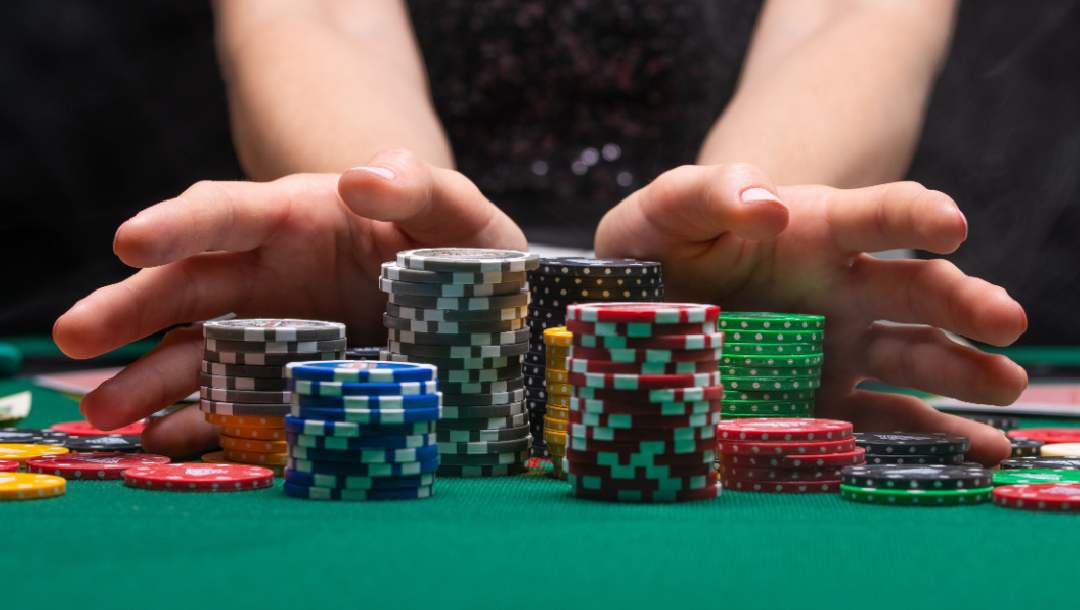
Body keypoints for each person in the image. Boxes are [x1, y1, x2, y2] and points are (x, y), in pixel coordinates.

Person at [52, 0, 1028, 464]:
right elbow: (321, 15)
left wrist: (737, 221)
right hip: (365, 265)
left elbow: (845, 17)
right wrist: (401, 231)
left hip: (734, 223)